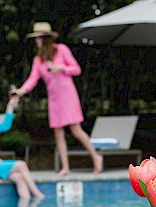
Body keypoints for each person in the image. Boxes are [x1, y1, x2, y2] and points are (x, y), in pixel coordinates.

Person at [12, 22, 102, 176]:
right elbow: (32, 79)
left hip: (67, 94)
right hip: (54, 98)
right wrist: (20, 91)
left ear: (46, 39)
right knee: (58, 133)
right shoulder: (38, 60)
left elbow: (77, 69)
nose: (37, 41)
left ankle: (96, 157)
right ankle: (65, 167)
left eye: (39, 38)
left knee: (76, 130)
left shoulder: (62, 50)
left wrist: (61, 68)